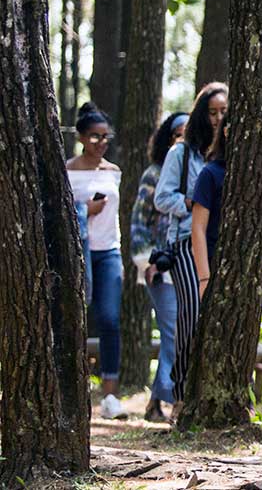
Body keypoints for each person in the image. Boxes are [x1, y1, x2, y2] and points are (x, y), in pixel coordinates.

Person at [154, 82, 228, 419]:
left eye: (223, 112)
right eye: (212, 112)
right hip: (186, 240)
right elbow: (161, 197)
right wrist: (192, 202)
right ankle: (180, 395)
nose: (217, 118)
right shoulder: (181, 153)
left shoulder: (232, 154)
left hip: (223, 244)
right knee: (192, 316)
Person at [190, 111, 262, 303]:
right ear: (227, 132)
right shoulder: (210, 174)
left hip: (252, 272)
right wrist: (204, 278)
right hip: (215, 267)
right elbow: (198, 228)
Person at [66, 102, 127, 420]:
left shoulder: (113, 171)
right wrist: (83, 211)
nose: (101, 142)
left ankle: (110, 394)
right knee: (74, 319)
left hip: (109, 253)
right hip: (75, 254)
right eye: (94, 136)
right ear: (80, 137)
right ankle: (72, 390)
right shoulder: (68, 170)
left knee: (109, 319)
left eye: (106, 136)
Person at [130, 112, 188, 422]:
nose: (181, 138)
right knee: (173, 332)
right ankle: (176, 398)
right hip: (159, 267)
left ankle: (155, 402)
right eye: (177, 133)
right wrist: (146, 261)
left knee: (177, 332)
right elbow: (140, 223)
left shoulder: (194, 174)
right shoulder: (154, 175)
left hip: (189, 263)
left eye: (187, 133)